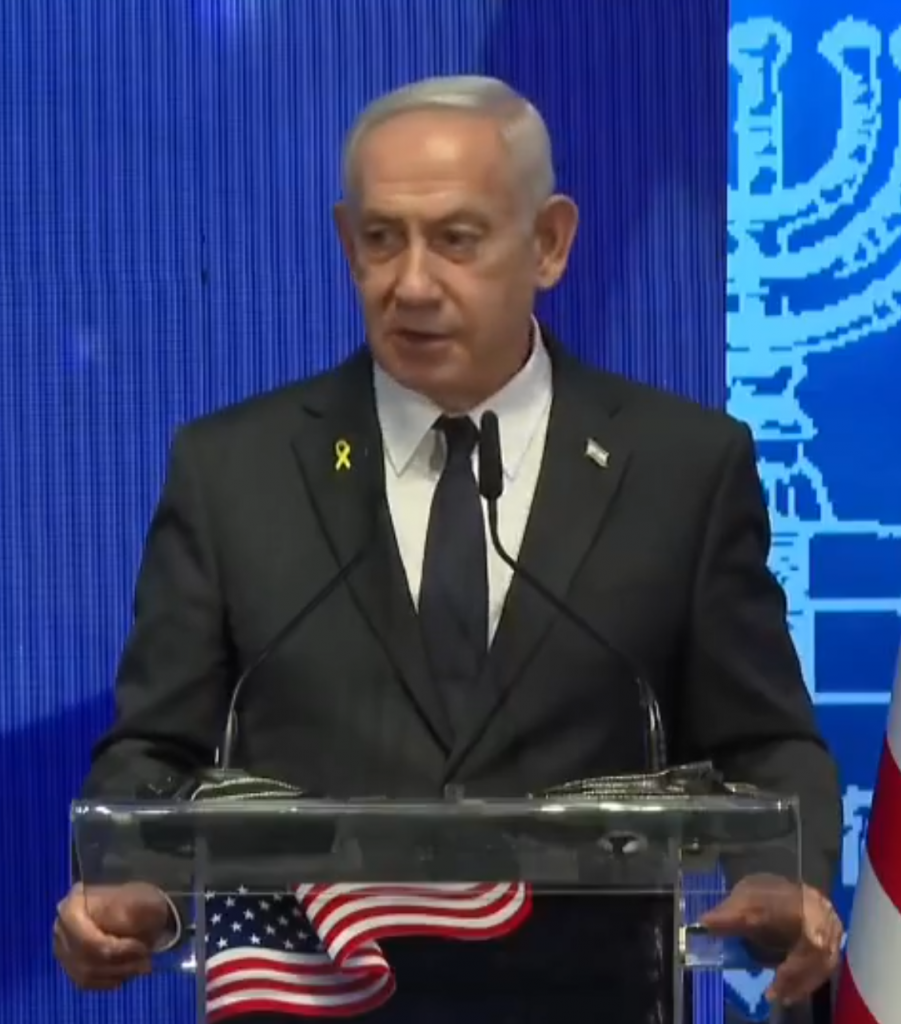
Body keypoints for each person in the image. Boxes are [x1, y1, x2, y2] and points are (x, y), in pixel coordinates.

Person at [54, 76, 843, 1017]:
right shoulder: (233, 471)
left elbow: (762, 741)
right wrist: (129, 888)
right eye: (381, 239)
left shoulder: (681, 468)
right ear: (346, 243)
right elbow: (155, 750)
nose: (413, 283)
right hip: (317, 998)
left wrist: (782, 878)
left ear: (549, 243)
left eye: (456, 239)